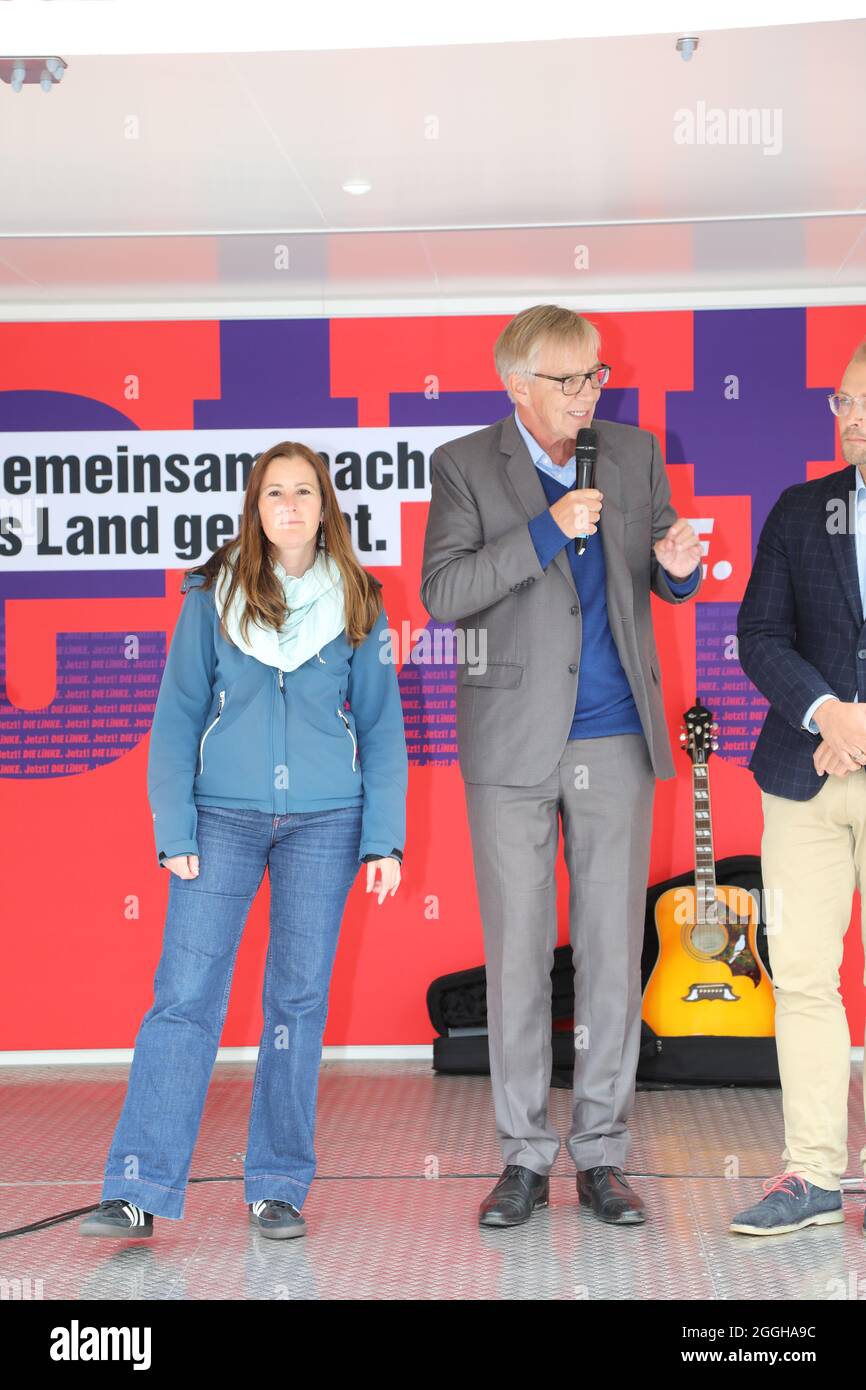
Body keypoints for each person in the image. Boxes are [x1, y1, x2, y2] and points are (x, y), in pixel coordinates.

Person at [79, 440, 407, 1241]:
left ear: (325, 505)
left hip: (327, 823)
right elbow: (176, 717)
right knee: (184, 999)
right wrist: (173, 827)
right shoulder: (210, 594)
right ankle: (137, 1186)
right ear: (254, 508)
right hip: (219, 818)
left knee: (295, 1002)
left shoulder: (361, 599)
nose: (289, 506)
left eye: (303, 492)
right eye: (273, 494)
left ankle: (279, 1184)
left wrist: (384, 840)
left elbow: (382, 726)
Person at [420, 304, 701, 1228]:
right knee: (517, 956)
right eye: (569, 379)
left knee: (614, 953)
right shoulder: (463, 465)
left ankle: (604, 1154)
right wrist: (546, 529)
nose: (588, 394)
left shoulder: (634, 452)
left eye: (595, 376)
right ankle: (524, 1158)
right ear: (517, 385)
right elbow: (446, 593)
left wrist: (680, 563)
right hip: (510, 743)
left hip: (614, 733)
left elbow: (658, 570)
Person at [732, 338, 866, 1238]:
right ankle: (813, 1175)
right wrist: (830, 714)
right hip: (804, 776)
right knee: (805, 980)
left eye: (863, 403)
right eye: (841, 402)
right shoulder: (798, 510)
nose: (848, 420)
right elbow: (759, 635)